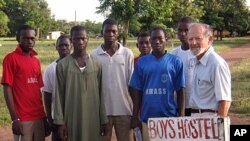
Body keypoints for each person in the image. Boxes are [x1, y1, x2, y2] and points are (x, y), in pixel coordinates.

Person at [129, 26, 185, 141]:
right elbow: (137, 91)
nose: (157, 41)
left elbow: (181, 90)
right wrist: (135, 116)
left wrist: (182, 115)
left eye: (160, 38)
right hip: (147, 118)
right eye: (153, 39)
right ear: (150, 41)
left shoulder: (176, 61)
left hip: (169, 117)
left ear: (166, 39)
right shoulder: (142, 62)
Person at [53, 25, 108, 141]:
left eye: (83, 38)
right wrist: (60, 122)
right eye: (76, 39)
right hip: (71, 118)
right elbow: (58, 96)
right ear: (72, 40)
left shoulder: (97, 64)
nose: (80, 41)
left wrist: (103, 119)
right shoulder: (62, 66)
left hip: (92, 118)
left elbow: (101, 94)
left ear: (88, 39)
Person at [1, 25, 50, 141]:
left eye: (32, 38)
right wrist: (14, 119)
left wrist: (44, 117)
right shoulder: (10, 59)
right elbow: (7, 88)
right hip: (22, 119)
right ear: (18, 38)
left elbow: (38, 92)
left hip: (38, 117)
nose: (29, 41)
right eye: (26, 38)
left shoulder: (36, 61)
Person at [91, 18, 134, 141]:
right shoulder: (94, 55)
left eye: (114, 31)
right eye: (107, 31)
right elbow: (93, 86)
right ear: (102, 32)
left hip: (124, 110)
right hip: (102, 112)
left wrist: (134, 111)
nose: (111, 34)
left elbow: (132, 84)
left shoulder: (127, 54)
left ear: (118, 33)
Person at [187, 23, 231, 117]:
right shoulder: (195, 61)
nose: (193, 43)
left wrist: (219, 127)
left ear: (210, 39)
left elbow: (224, 101)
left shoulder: (216, 64)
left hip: (210, 122)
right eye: (190, 39)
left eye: (198, 38)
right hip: (195, 120)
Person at [42, 35, 71, 141]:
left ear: (71, 46)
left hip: (76, 116)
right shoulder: (50, 69)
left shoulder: (79, 66)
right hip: (58, 118)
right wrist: (49, 118)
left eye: (66, 45)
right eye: (60, 45)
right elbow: (47, 95)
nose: (63, 48)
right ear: (56, 47)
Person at [171, 16, 194, 116]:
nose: (182, 33)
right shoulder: (173, 54)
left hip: (196, 107)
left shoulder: (199, 53)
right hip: (178, 105)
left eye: (186, 30)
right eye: (180, 30)